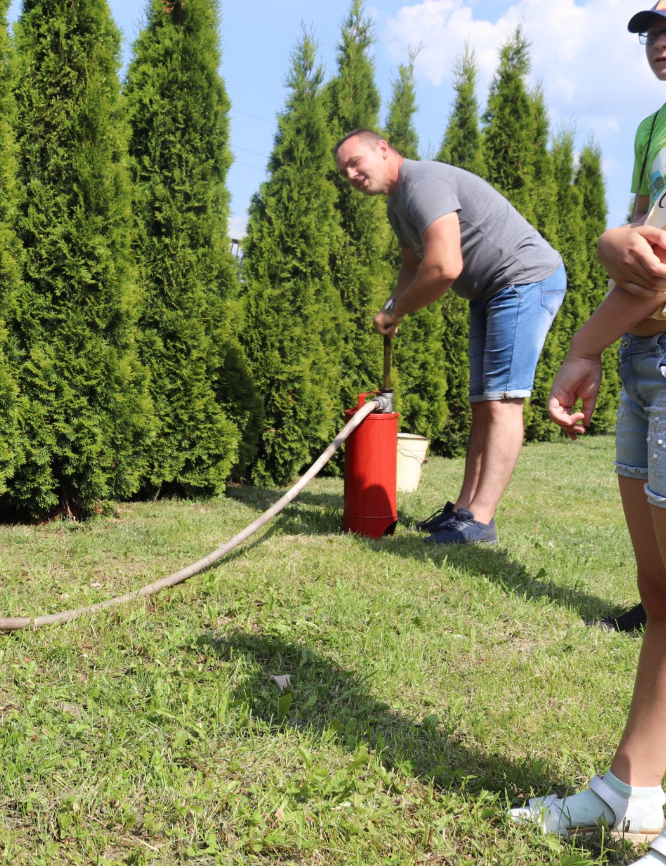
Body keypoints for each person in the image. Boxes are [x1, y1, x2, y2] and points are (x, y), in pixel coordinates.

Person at [509, 6, 666, 856]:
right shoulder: (653, 126)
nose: (660, 36)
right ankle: (632, 787)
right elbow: (641, 249)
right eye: (650, 26)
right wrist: (604, 342)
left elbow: (651, 254)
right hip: (649, 363)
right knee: (662, 592)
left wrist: (578, 344)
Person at [334, 129, 567, 545]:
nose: (351, 174)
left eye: (356, 162)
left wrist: (398, 309)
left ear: (383, 149)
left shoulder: (422, 184)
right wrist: (393, 306)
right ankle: (463, 511)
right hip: (491, 291)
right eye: (344, 170)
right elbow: (412, 267)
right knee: (483, 403)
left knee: (503, 402)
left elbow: (444, 266)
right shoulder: (397, 206)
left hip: (524, 279)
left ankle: (480, 521)